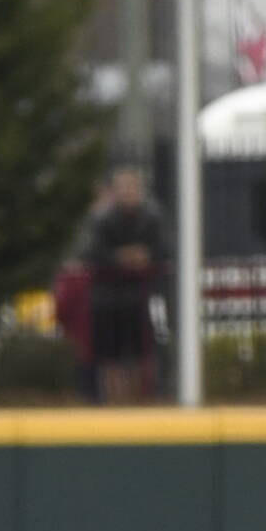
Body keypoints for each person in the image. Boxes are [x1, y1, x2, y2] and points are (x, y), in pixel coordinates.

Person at [82, 167, 168, 404]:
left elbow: (163, 250)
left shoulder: (152, 218)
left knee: (143, 353)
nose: (128, 192)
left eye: (132, 186)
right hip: (107, 298)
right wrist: (122, 258)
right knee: (110, 356)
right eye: (123, 187)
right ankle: (114, 402)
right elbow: (92, 254)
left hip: (141, 297)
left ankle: (141, 401)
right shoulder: (101, 220)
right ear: (114, 191)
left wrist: (145, 258)